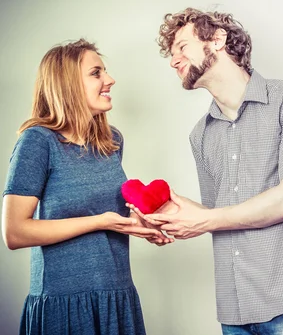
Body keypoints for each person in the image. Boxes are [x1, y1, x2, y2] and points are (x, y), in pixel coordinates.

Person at [129, 8, 283, 334]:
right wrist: (173, 215)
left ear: (217, 39)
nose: (174, 61)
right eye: (170, 55)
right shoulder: (200, 134)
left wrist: (204, 220)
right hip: (235, 311)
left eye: (182, 48)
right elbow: (222, 215)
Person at [1, 39, 167, 335]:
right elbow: (14, 232)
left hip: (116, 294)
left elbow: (109, 212)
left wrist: (137, 223)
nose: (110, 80)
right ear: (67, 85)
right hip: (64, 303)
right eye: (96, 73)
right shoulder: (38, 142)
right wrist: (100, 222)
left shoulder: (112, 141)